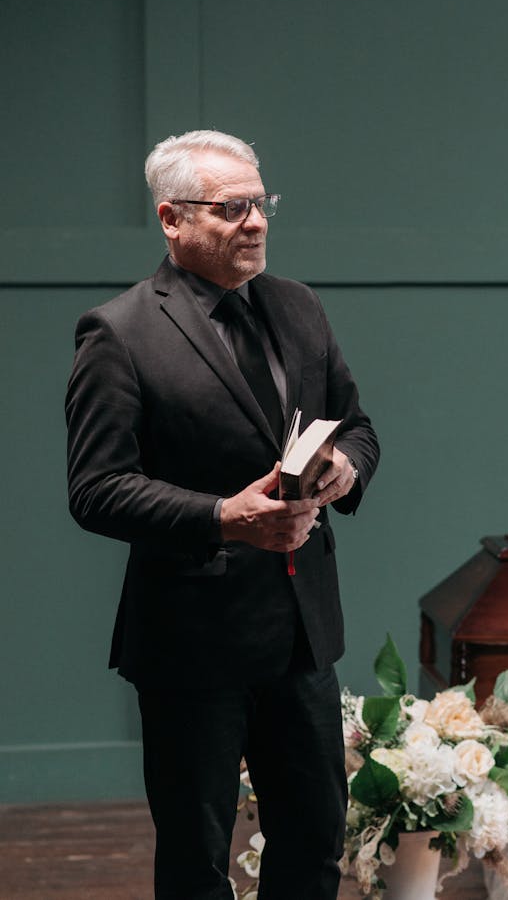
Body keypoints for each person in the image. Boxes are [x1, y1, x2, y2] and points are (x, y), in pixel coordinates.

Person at [65, 129, 380, 900]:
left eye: (261, 202)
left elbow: (358, 427)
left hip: (303, 633)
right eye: (231, 207)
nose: (257, 222)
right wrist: (222, 515)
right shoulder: (119, 332)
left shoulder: (298, 305)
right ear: (172, 219)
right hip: (190, 639)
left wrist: (345, 469)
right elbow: (96, 487)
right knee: (196, 862)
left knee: (314, 845)